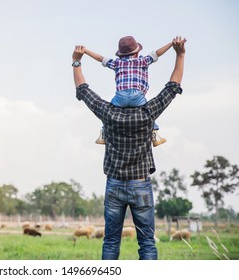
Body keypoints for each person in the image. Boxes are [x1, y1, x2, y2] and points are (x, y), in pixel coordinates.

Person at [72, 36, 186, 260]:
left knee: (111, 241)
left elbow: (84, 91)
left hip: (114, 184)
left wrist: (77, 62)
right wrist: (180, 54)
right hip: (140, 185)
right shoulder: (147, 113)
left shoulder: (108, 113)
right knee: (147, 244)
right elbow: (172, 88)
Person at [82, 36, 173, 146]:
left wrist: (86, 51)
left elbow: (101, 58)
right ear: (136, 53)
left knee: (107, 112)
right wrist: (171, 44)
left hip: (120, 96)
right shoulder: (142, 61)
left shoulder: (117, 63)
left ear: (121, 54)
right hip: (137, 96)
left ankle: (103, 133)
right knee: (149, 113)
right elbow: (157, 53)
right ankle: (155, 134)